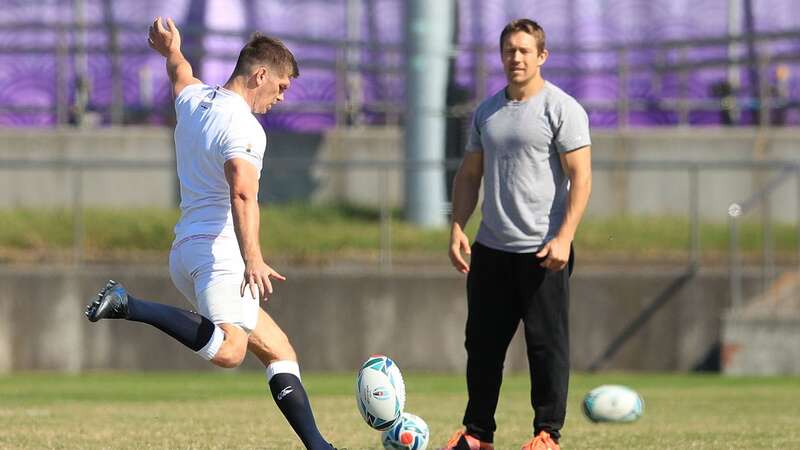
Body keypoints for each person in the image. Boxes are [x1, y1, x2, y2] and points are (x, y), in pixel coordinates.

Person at [85, 17, 338, 450]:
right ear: (260, 75)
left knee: (279, 350)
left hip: (186, 251)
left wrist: (171, 50)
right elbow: (243, 194)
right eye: (280, 87)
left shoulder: (197, 99)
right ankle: (129, 304)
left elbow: (180, 72)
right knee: (230, 351)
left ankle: (320, 446)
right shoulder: (244, 127)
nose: (280, 98)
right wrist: (254, 257)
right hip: (219, 255)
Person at [444, 18, 592, 450]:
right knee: (483, 347)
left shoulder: (561, 108)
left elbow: (580, 177)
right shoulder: (487, 111)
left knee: (546, 347)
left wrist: (565, 236)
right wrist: (457, 225)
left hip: (544, 250)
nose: (517, 57)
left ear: (542, 56)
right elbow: (470, 175)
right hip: (492, 248)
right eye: (510, 50)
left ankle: (547, 434)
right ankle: (477, 434)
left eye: (525, 50)